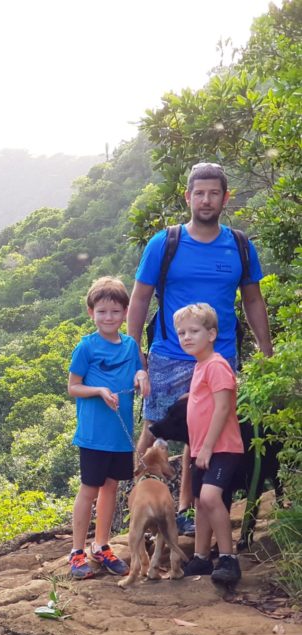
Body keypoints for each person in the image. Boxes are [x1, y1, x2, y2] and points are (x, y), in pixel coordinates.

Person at [127, 162, 272, 535]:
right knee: (154, 427)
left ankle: (187, 509)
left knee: (205, 431)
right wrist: (134, 354)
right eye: (199, 193)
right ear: (188, 196)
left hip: (220, 356)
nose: (206, 200)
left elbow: (253, 301)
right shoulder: (166, 242)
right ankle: (140, 503)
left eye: (214, 193)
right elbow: (140, 298)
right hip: (168, 354)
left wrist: (266, 353)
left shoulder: (238, 245)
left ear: (225, 198)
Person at [67, 276, 150, 579]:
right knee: (89, 489)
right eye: (101, 311)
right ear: (91, 313)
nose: (108, 317)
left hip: (120, 434)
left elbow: (140, 371)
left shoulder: (130, 346)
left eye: (115, 312)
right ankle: (77, 552)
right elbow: (73, 387)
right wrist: (99, 390)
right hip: (93, 434)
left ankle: (101, 545)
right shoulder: (86, 348)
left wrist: (142, 377)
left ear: (125, 313)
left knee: (111, 488)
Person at [173, 303, 244, 584]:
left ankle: (228, 557)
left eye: (194, 331)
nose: (186, 337)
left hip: (222, 447)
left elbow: (223, 408)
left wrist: (207, 446)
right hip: (204, 448)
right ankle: (202, 557)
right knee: (201, 502)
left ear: (212, 334)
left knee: (212, 498)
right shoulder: (200, 366)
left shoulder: (216, 365)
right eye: (181, 333)